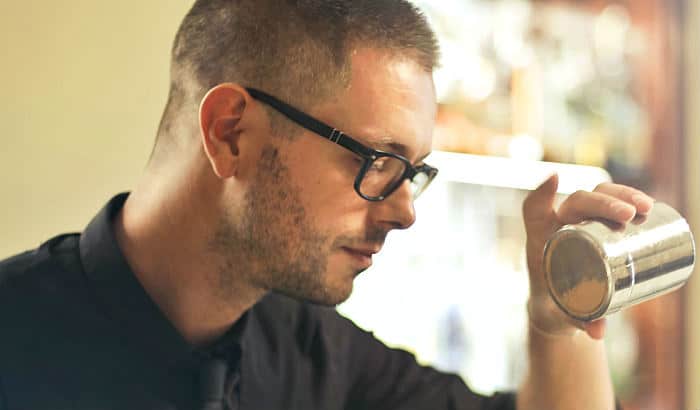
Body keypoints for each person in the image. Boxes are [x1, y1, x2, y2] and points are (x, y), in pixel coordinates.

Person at [0, 1, 653, 409]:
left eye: (414, 173)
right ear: (232, 132)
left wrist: (558, 317)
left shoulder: (306, 346)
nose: (405, 212)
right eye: (378, 162)